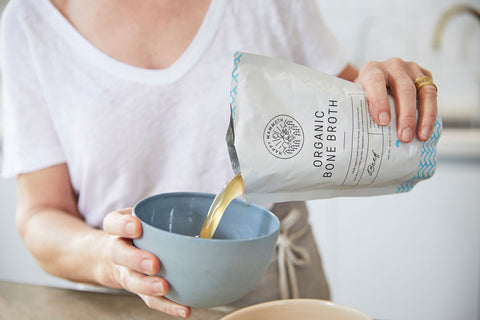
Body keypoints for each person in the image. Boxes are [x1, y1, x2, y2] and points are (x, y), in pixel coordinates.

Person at [1, 0, 438, 318]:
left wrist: (394, 92)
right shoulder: (28, 24)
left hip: (279, 294)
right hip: (124, 302)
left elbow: (357, 116)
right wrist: (110, 260)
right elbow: (41, 213)